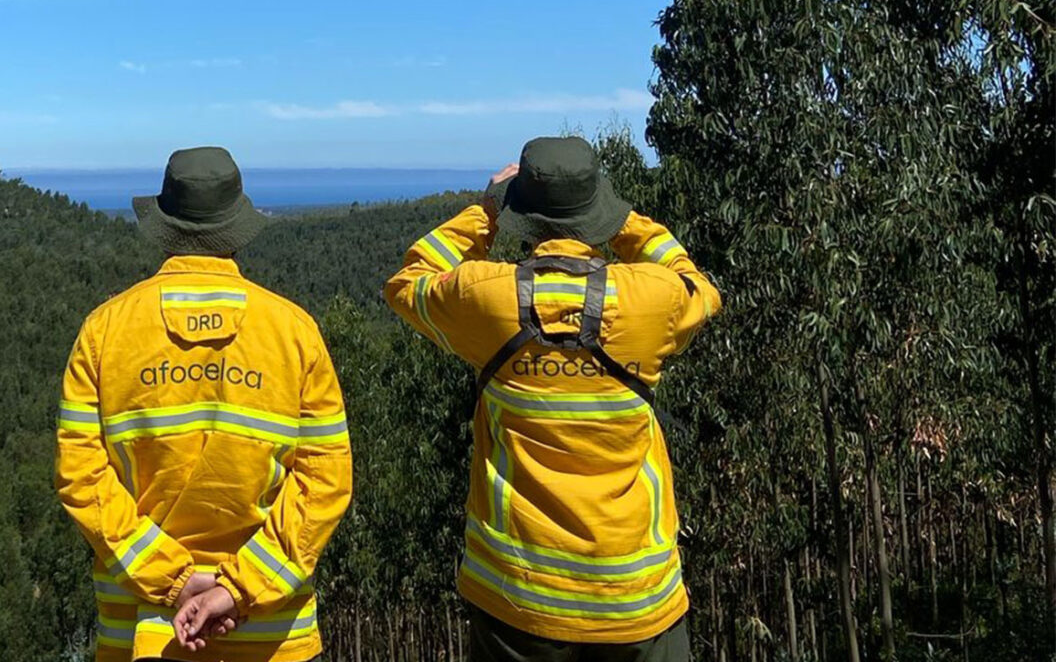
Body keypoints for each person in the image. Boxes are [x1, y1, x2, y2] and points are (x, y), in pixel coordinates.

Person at [384, 137, 722, 662]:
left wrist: (488, 209)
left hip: (517, 598)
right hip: (636, 596)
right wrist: (620, 217)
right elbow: (697, 283)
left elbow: (410, 280)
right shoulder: (648, 300)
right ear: (598, 212)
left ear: (523, 212)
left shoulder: (487, 297)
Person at [56, 146, 352, 662]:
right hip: (274, 634)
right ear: (237, 227)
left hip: (145, 632)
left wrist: (176, 581)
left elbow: (82, 478)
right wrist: (237, 589)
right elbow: (325, 484)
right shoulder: (294, 333)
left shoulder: (104, 333)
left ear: (164, 225)